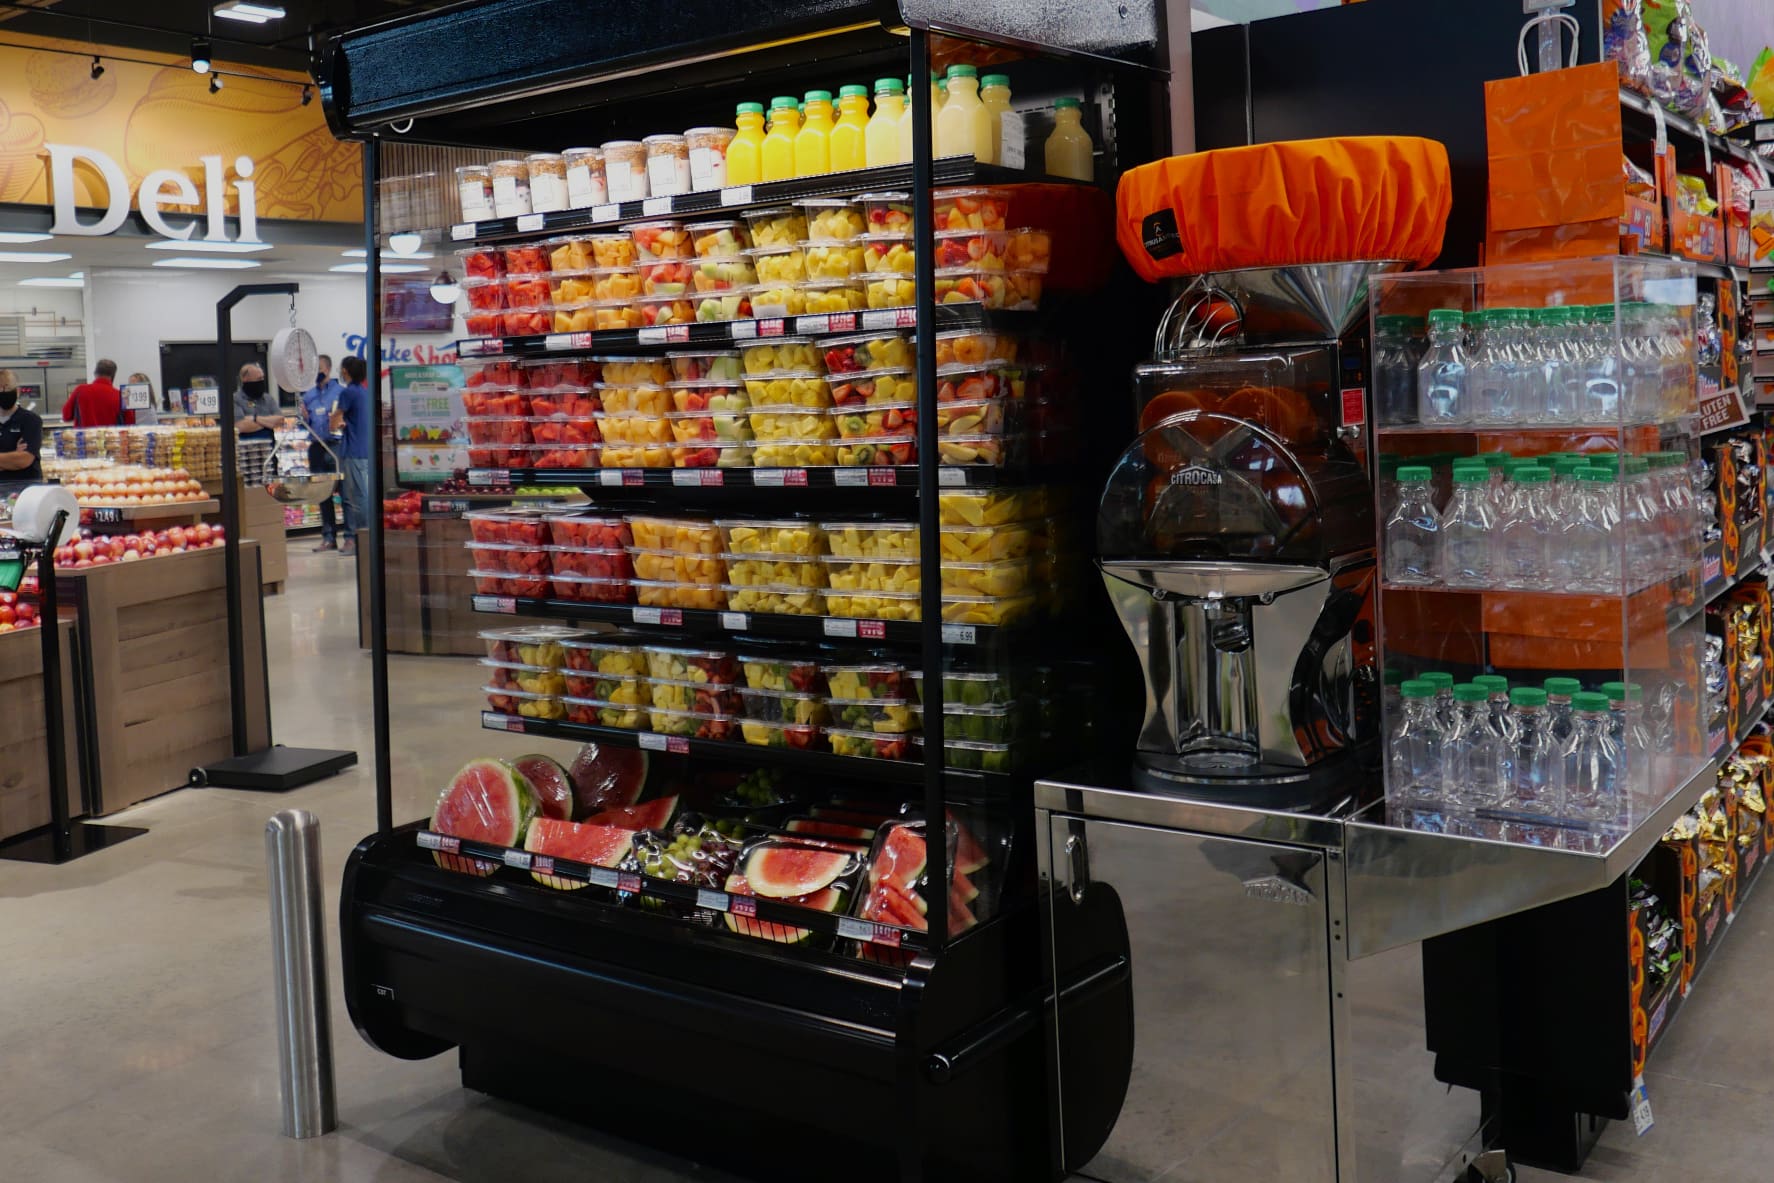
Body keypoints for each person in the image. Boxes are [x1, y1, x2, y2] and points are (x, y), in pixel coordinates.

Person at [300, 355, 343, 551]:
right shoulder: (308, 396)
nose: (316, 372)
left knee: (344, 492)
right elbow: (305, 426)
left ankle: (352, 536)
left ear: (328, 369)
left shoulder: (340, 393)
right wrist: (305, 418)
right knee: (322, 495)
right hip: (316, 448)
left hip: (336, 447)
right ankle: (328, 537)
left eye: (320, 368)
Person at [330, 355, 372, 558]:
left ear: (346, 371)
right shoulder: (364, 392)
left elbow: (334, 421)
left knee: (356, 497)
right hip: (365, 450)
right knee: (363, 494)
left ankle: (361, 539)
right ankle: (364, 537)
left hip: (352, 451)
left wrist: (334, 421)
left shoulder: (348, 393)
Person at [233, 362, 285, 485]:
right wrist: (268, 422)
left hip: (269, 456)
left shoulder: (268, 398)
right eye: (258, 379)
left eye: (263, 378)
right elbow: (240, 425)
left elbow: (280, 420)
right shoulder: (235, 399)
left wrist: (255, 418)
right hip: (246, 459)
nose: (262, 382)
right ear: (246, 379)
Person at [0, 369, 44, 484]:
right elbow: (16, 460)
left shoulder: (31, 420)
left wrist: (14, 459)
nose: (3, 391)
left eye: (7, 387)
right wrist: (12, 455)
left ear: (18, 391)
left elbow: (24, 460)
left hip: (26, 490)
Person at [64, 358, 124, 428]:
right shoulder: (121, 396)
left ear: (95, 373)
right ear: (113, 376)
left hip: (85, 438)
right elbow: (130, 423)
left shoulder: (80, 390)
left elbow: (66, 416)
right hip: (110, 437)